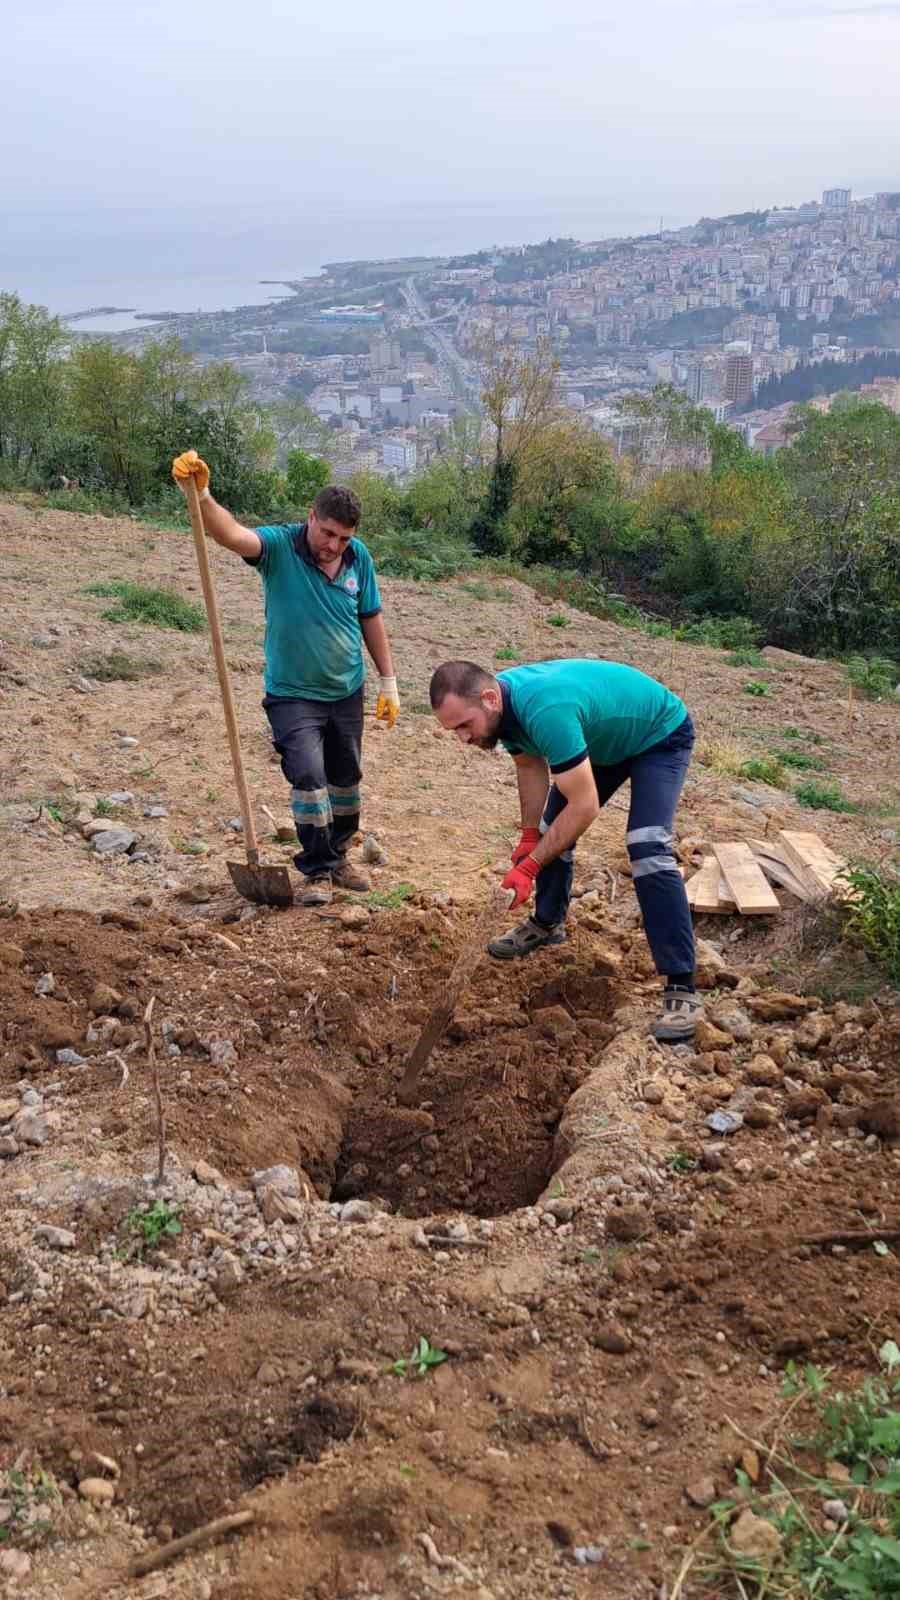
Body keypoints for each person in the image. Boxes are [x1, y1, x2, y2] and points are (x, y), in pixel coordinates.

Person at [429, 657, 702, 1042]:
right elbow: (529, 766)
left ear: (489, 699)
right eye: (452, 729)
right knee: (547, 832)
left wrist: (529, 868)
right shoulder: (500, 709)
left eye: (463, 726)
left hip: (658, 735)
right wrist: (528, 838)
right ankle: (547, 924)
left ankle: (682, 986)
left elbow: (584, 806)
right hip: (604, 742)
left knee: (647, 847)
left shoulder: (545, 709)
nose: (462, 738)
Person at [172, 450, 399, 906]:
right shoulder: (279, 547)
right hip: (293, 695)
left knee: (346, 781)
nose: (333, 544)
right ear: (311, 517)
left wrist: (387, 679)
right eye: (327, 532)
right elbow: (232, 535)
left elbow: (370, 616)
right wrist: (202, 495)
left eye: (343, 537)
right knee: (309, 778)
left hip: (346, 690)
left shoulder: (359, 560)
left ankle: (338, 856)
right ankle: (316, 869)